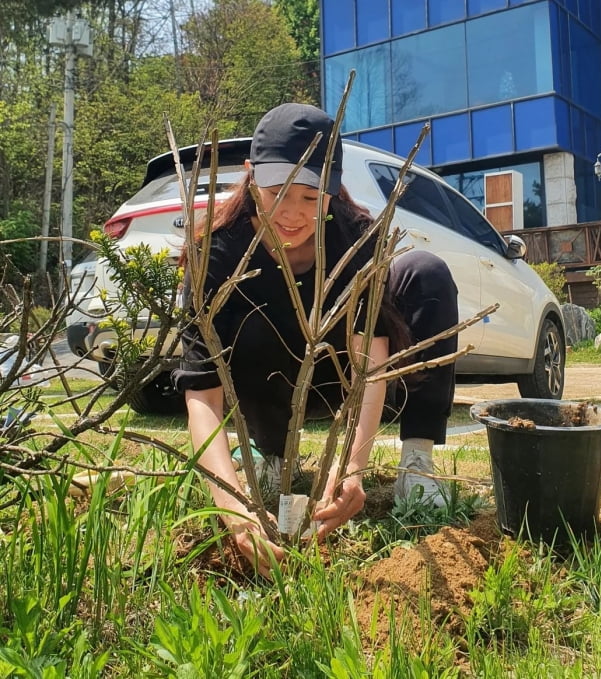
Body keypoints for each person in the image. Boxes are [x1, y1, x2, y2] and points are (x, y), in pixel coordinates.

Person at [173, 103, 458, 576]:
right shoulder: (218, 254)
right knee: (255, 322)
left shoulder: (357, 239)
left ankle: (417, 464)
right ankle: (273, 455)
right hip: (268, 382)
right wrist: (229, 504)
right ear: (250, 175)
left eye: (311, 196)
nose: (291, 213)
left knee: (425, 271)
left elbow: (371, 363)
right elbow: (202, 393)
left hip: (341, 378)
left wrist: (352, 467)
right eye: (277, 192)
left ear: (332, 191)